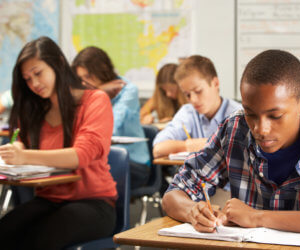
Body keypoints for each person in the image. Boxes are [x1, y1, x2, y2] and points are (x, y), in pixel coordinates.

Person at [161, 50, 300, 249]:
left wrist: (258, 217)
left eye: (275, 115)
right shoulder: (234, 129)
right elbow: (174, 193)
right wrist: (193, 211)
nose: (261, 128)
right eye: (251, 113)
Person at [0, 36, 117, 249]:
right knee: (6, 231)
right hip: (49, 200)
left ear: (59, 64)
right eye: (27, 79)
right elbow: (21, 142)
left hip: (94, 204)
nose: (34, 84)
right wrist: (17, 149)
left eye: (38, 73)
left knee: (40, 238)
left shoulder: (95, 100)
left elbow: (80, 155)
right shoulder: (35, 108)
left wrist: (24, 156)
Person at [72, 46, 150, 189]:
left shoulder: (128, 90)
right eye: (80, 79)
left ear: (102, 70)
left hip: (133, 162)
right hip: (101, 160)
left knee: (90, 173)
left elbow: (109, 129)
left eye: (88, 77)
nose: (84, 84)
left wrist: (98, 95)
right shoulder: (85, 94)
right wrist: (99, 92)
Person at [153, 55, 242, 158]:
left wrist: (208, 143)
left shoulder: (238, 114)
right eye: (187, 94)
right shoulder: (188, 112)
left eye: (198, 91)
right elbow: (158, 149)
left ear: (215, 83)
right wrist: (188, 145)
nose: (193, 100)